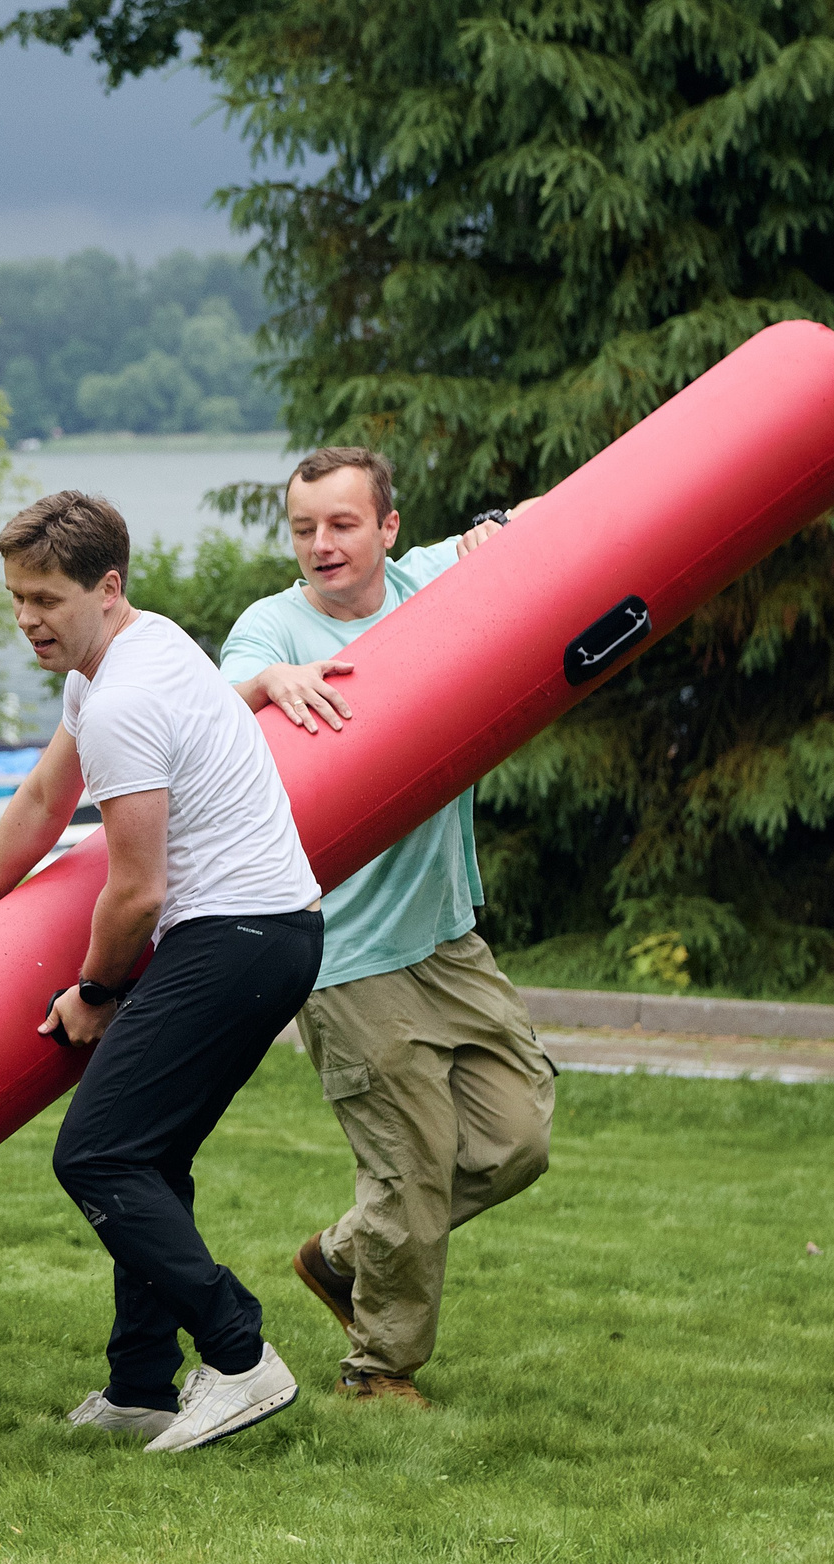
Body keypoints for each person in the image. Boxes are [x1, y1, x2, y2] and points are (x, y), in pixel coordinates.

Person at [0, 489, 325, 1454]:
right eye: (16, 597)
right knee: (149, 1156)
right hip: (259, 931)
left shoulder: (126, 696)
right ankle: (141, 1386)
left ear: (107, 587)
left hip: (238, 937)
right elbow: (44, 798)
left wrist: (93, 995)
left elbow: (135, 892)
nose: (28, 618)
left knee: (99, 1154)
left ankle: (242, 1359)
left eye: (47, 598)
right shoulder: (124, 652)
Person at [216, 446, 559, 1409]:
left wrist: (518, 525)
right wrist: (273, 681)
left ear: (387, 530)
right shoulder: (271, 625)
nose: (322, 545)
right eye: (304, 528)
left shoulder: (428, 584)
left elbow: (546, 525)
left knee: (515, 1140)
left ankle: (340, 1256)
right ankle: (379, 1373)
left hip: (447, 937)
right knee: (407, 1171)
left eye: (342, 524)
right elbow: (215, 700)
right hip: (346, 955)